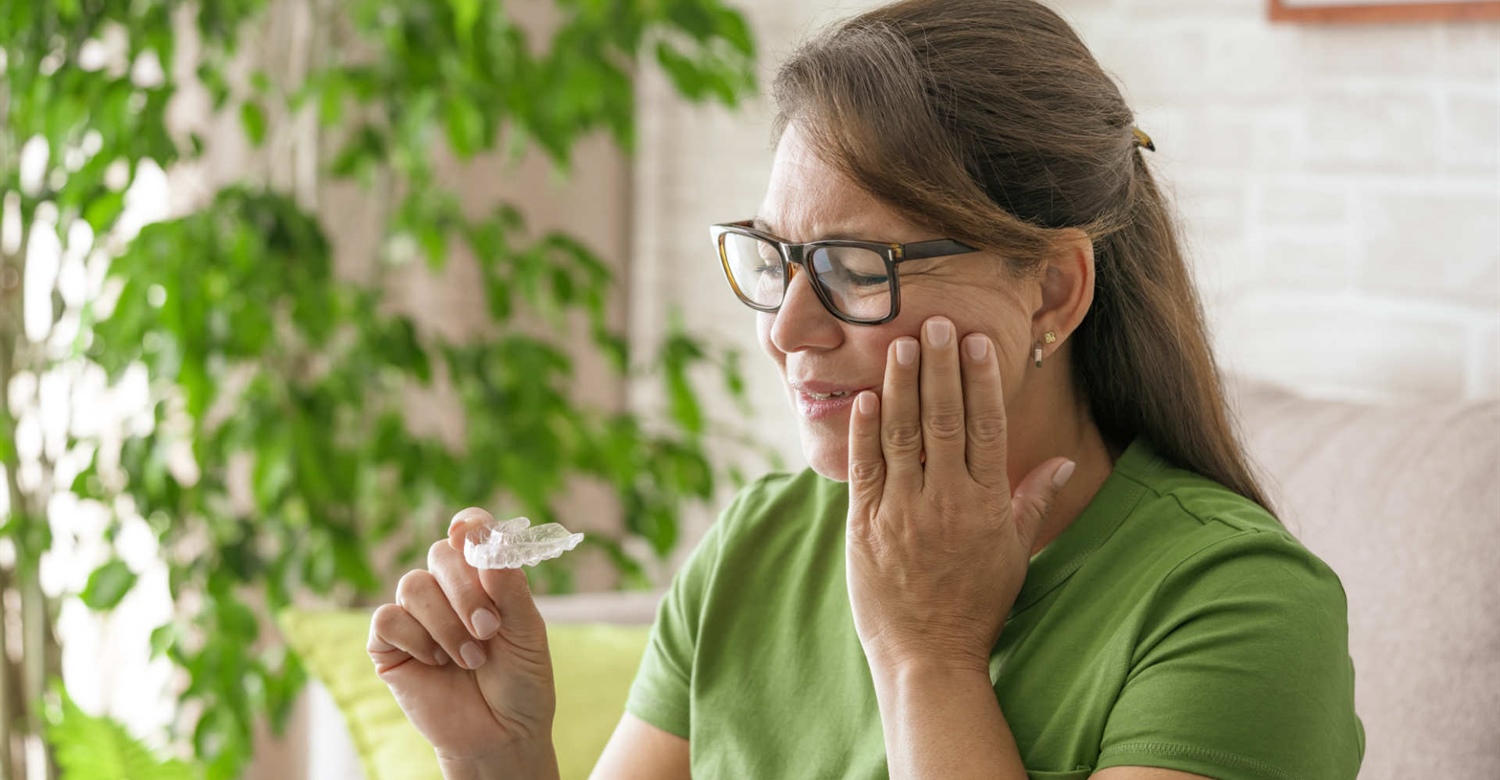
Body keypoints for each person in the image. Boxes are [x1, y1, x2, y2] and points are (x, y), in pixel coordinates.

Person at [366, 0, 1366, 777]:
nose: (786, 329)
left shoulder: (1239, 609)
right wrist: (499, 757)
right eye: (776, 259)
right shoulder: (759, 546)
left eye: (854, 265)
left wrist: (928, 656)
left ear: (1054, 290)